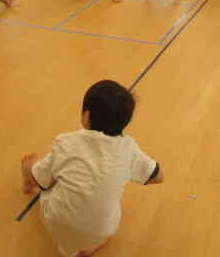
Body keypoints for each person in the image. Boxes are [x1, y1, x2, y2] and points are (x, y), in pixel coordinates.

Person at [21, 80, 163, 257]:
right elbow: (158, 177)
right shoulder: (129, 150)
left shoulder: (66, 142)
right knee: (106, 225)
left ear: (86, 116)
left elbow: (38, 179)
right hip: (100, 232)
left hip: (56, 224)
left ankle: (68, 247)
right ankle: (89, 248)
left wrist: (29, 168)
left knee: (43, 174)